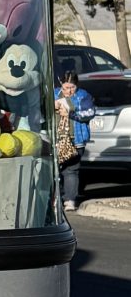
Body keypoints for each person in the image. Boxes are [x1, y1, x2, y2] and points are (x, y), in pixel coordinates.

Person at [55, 69, 96, 212]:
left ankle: (70, 200)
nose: (69, 91)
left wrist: (72, 113)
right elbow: (41, 112)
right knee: (53, 170)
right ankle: (55, 199)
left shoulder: (83, 96)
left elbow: (90, 113)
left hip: (76, 139)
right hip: (55, 139)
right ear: (61, 84)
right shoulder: (54, 95)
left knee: (71, 170)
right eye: (66, 87)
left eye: (72, 87)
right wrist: (51, 107)